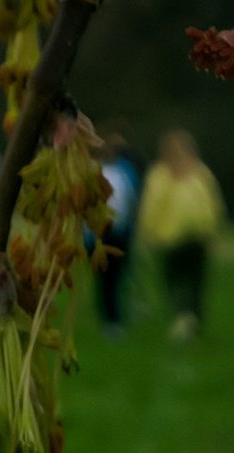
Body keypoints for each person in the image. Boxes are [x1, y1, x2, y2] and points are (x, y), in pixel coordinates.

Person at [138, 130, 224, 339]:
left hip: (191, 239)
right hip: (173, 239)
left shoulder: (195, 174)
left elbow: (211, 205)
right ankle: (186, 318)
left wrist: (210, 231)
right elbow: (152, 206)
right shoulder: (170, 175)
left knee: (190, 282)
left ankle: (188, 320)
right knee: (178, 281)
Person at [92, 132, 143, 334]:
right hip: (99, 233)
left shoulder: (125, 170)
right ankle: (110, 316)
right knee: (106, 276)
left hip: (121, 231)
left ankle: (117, 312)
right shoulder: (95, 170)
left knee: (119, 274)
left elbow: (133, 198)